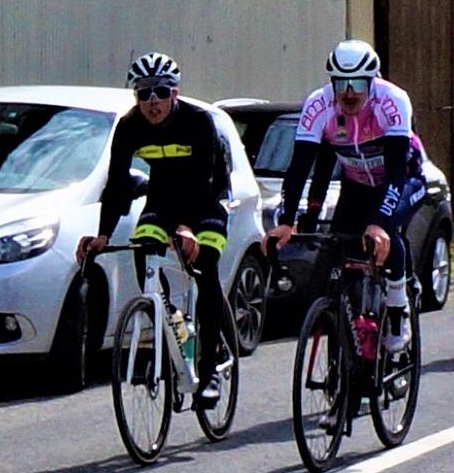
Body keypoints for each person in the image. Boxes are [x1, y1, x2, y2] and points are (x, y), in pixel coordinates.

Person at [77, 52, 230, 407]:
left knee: (204, 265)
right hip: (163, 199)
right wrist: (103, 233)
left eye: (160, 92)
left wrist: (188, 227)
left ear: (175, 93)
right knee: (142, 245)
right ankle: (170, 318)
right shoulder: (129, 126)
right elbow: (116, 185)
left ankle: (210, 369)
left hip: (207, 198)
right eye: (143, 93)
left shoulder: (198, 121)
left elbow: (205, 180)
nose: (152, 102)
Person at [262, 39, 425, 354]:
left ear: (372, 81)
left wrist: (379, 223)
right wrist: (287, 221)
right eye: (341, 83)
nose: (349, 92)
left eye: (358, 83)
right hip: (357, 183)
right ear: (331, 82)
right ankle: (346, 335)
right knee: (340, 244)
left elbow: (395, 173)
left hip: (403, 178)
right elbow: (299, 169)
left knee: (387, 234)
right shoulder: (318, 104)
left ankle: (397, 310)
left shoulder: (392, 101)